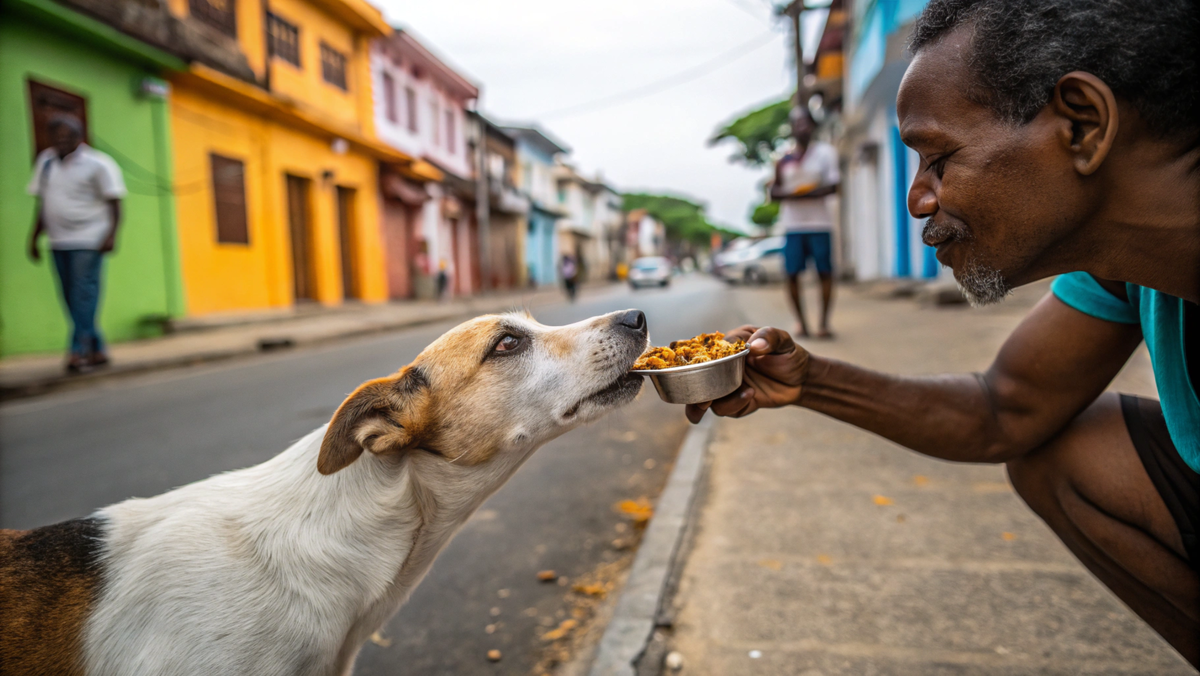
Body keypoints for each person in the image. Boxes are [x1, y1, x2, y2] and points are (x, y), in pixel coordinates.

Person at [688, 0, 1199, 666]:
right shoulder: (1127, 270)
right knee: (1063, 446)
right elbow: (1004, 410)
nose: (918, 200)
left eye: (938, 158)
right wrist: (810, 380)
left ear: (1082, 124)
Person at [27, 114, 125, 374]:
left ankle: (78, 351)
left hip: (89, 238)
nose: (61, 141)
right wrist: (34, 236)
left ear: (80, 137)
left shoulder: (99, 164)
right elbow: (43, 204)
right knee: (70, 296)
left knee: (83, 293)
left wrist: (112, 235)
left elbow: (115, 203)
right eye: (56, 136)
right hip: (58, 240)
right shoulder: (46, 162)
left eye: (67, 136)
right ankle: (97, 348)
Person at [770, 107, 840, 339]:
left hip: (820, 225)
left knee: (825, 273)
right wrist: (800, 193)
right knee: (791, 275)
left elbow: (832, 186)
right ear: (792, 128)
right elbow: (774, 191)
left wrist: (796, 195)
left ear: (813, 126)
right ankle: (801, 323)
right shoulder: (784, 159)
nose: (801, 127)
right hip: (793, 227)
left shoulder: (825, 153)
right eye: (797, 123)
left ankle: (823, 323)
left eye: (805, 123)